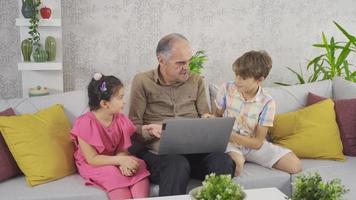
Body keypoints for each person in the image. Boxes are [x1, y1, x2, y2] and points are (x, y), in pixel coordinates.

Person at [128, 33, 235, 196]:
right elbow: (131, 127)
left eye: (189, 61)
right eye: (180, 63)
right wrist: (147, 130)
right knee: (176, 164)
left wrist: (209, 120)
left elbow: (205, 116)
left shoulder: (196, 81)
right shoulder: (142, 81)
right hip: (157, 153)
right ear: (161, 60)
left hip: (193, 151)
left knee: (223, 161)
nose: (187, 67)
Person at [214, 50, 302, 177]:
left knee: (294, 165)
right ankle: (240, 158)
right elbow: (217, 115)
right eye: (237, 75)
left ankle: (247, 157)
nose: (237, 81)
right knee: (237, 162)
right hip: (230, 143)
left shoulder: (267, 102)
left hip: (251, 145)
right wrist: (211, 118)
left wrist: (229, 134)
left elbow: (257, 143)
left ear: (260, 79)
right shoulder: (227, 88)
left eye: (243, 78)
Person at [71, 73, 150, 200]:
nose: (124, 101)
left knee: (137, 164)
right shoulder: (85, 123)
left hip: (115, 158)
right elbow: (92, 159)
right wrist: (119, 161)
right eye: (120, 98)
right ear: (105, 104)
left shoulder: (120, 119)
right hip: (94, 163)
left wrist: (124, 162)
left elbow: (121, 150)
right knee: (112, 172)